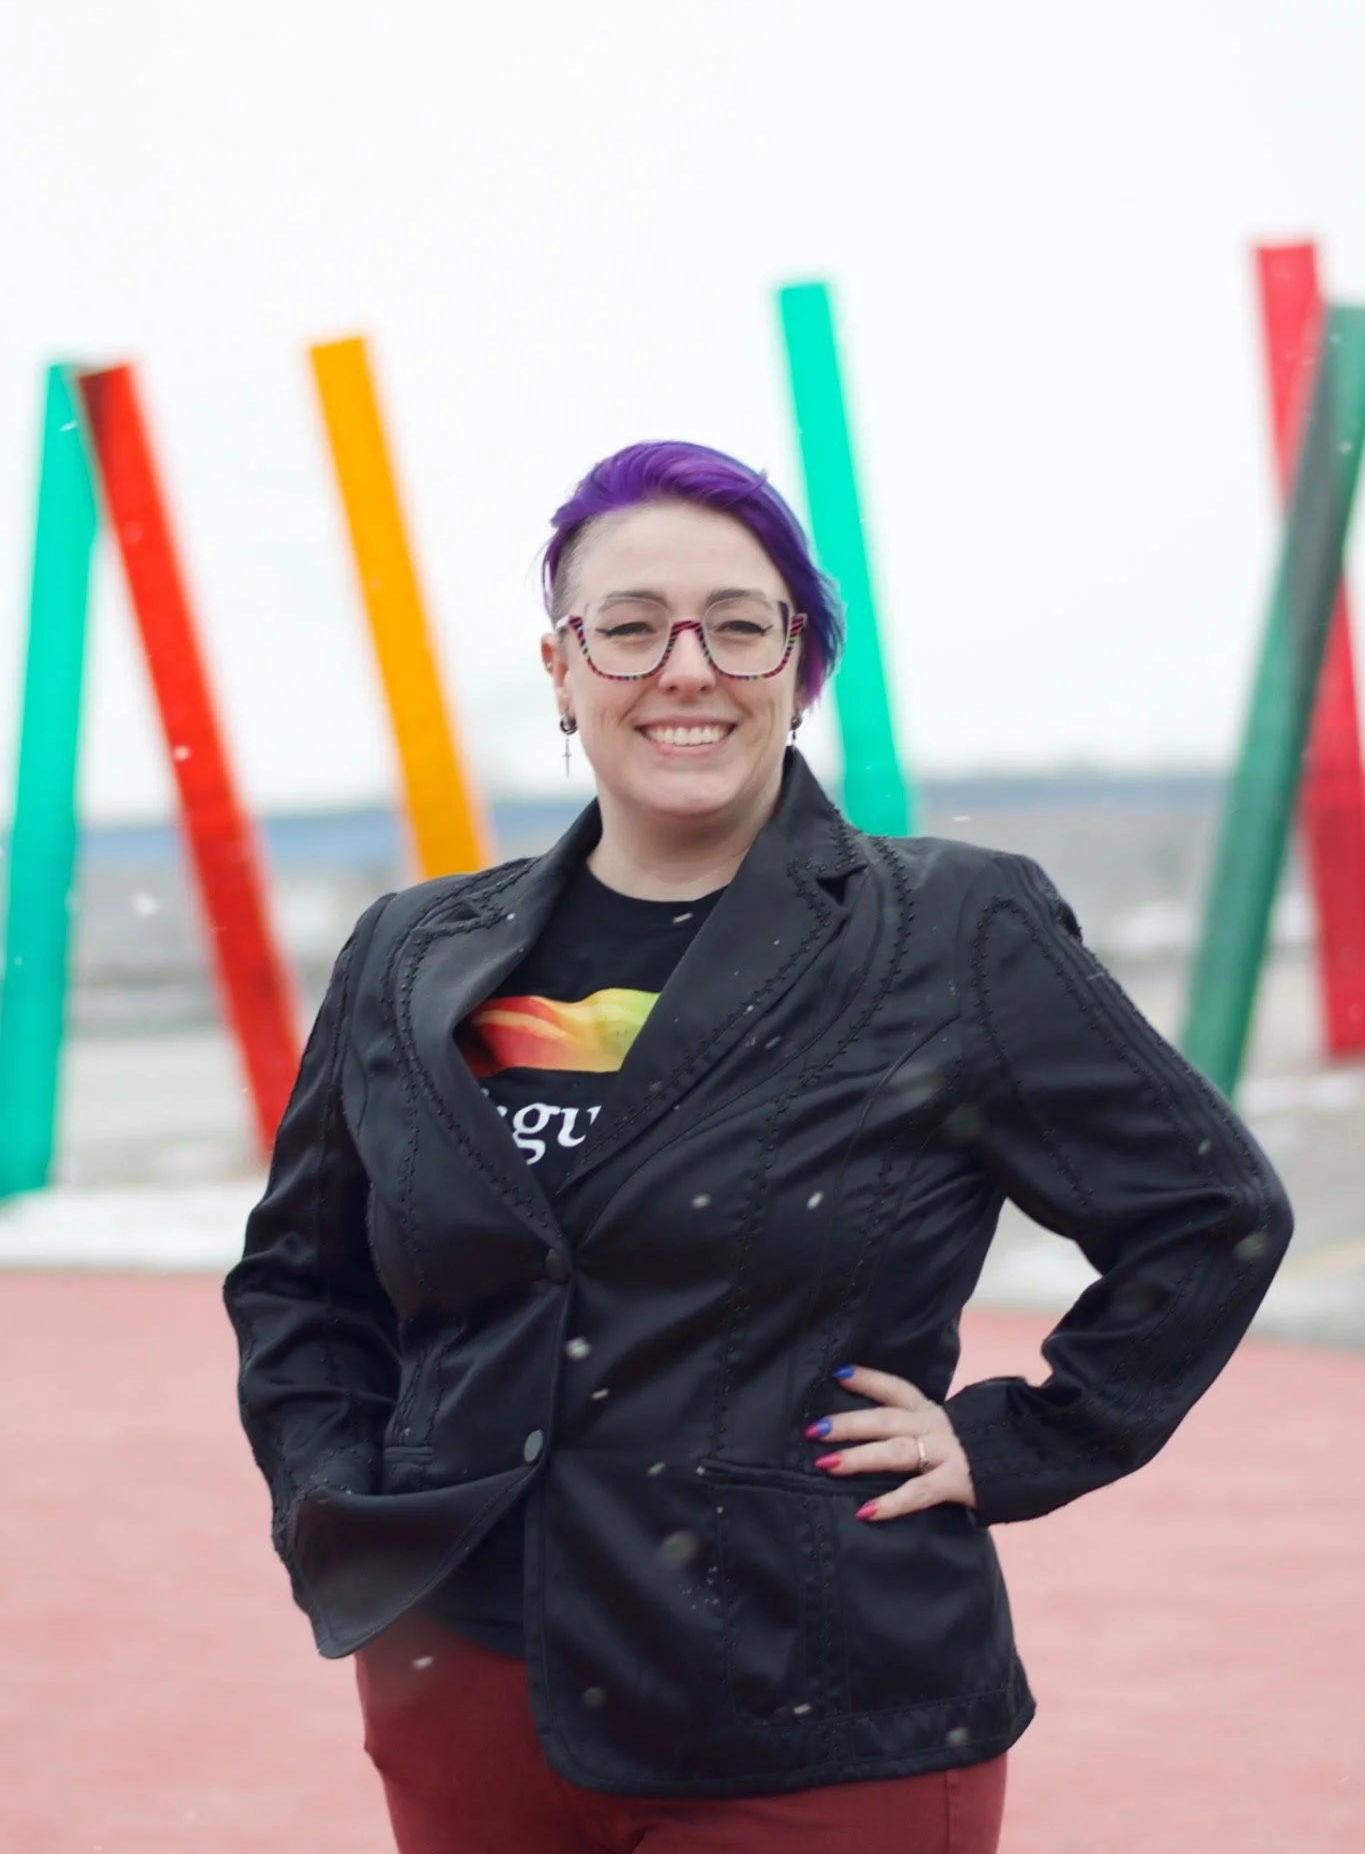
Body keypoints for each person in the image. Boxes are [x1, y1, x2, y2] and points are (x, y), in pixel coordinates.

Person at [225, 440, 1292, 1854]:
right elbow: (302, 1280)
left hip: (814, 1698)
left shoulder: (950, 930)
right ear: (561, 668)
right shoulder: (412, 950)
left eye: (739, 625)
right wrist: (336, 1493)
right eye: (630, 626)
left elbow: (1209, 1211)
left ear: (802, 667)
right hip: (463, 1689)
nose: (688, 668)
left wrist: (1027, 1439)